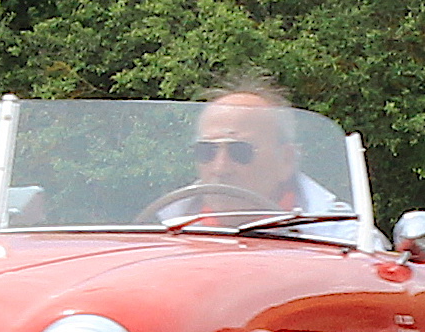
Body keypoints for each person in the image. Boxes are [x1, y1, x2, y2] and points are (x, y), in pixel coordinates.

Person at [137, 81, 356, 239]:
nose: (220, 168)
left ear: (286, 160)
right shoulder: (157, 230)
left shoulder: (342, 238)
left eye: (240, 151)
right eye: (206, 151)